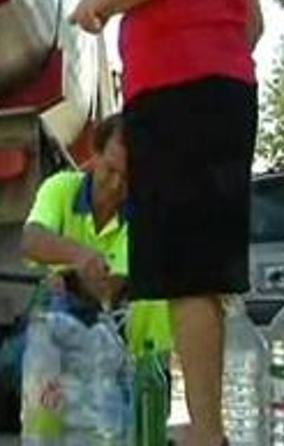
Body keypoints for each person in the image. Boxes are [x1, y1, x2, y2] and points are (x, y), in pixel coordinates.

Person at [69, 0, 263, 446]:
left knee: (185, 267)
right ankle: (208, 427)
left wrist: (95, 5)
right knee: (206, 267)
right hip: (230, 88)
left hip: (175, 87)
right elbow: (253, 22)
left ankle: (207, 434)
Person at [21, 113, 173, 380]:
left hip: (124, 340)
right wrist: (78, 255)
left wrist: (70, 276)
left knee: (154, 300)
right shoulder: (61, 188)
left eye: (128, 178)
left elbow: (110, 289)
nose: (116, 185)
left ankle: (149, 380)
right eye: (110, 171)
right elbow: (31, 239)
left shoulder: (147, 211)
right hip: (62, 334)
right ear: (95, 156)